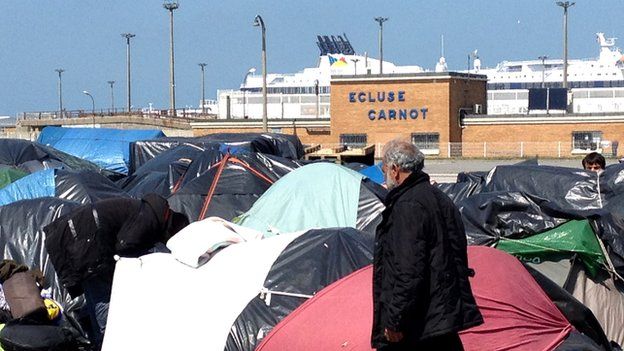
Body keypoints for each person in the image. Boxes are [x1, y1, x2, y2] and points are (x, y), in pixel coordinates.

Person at [372, 139, 483, 351]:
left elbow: (408, 270)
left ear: (395, 170)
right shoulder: (440, 198)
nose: (384, 176)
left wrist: (395, 320)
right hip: (442, 318)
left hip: (418, 324)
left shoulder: (407, 206)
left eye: (384, 169)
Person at [44, 194, 188, 349]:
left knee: (95, 296)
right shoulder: (150, 218)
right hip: (86, 244)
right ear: (170, 228)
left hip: (78, 239)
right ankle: (108, 342)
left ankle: (99, 341)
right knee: (105, 299)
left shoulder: (147, 211)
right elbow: (125, 245)